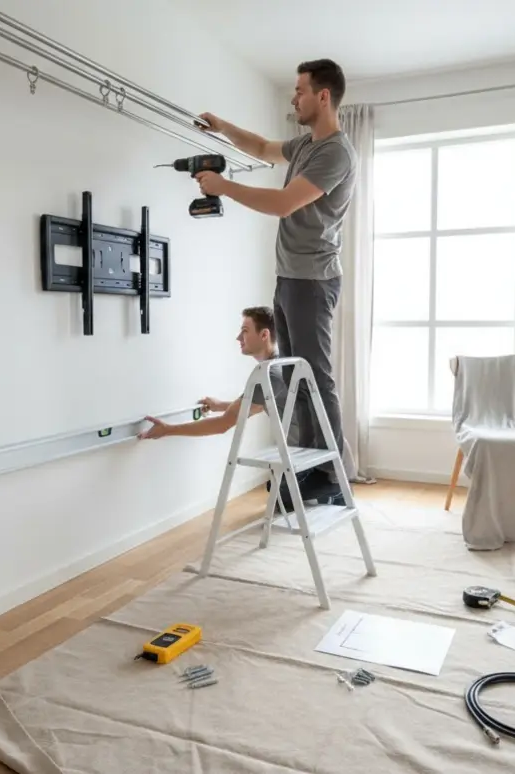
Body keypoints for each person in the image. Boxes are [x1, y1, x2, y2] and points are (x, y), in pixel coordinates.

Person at [191, 58, 356, 489]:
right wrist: (222, 126)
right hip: (290, 276)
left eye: (300, 90)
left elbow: (284, 204)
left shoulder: (336, 152)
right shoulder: (304, 145)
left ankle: (331, 476)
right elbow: (263, 148)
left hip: (312, 280)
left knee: (315, 378)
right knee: (292, 377)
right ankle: (307, 468)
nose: (293, 97)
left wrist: (224, 187)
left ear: (323, 96)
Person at [137, 306, 343, 507]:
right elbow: (257, 406)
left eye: (245, 331)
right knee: (278, 490)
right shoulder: (281, 364)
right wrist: (220, 405)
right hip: (312, 452)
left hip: (309, 458)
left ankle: (332, 491)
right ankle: (325, 489)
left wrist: (168, 430)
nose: (238, 338)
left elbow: (223, 425)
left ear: (264, 335)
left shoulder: (269, 374)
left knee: (279, 493)